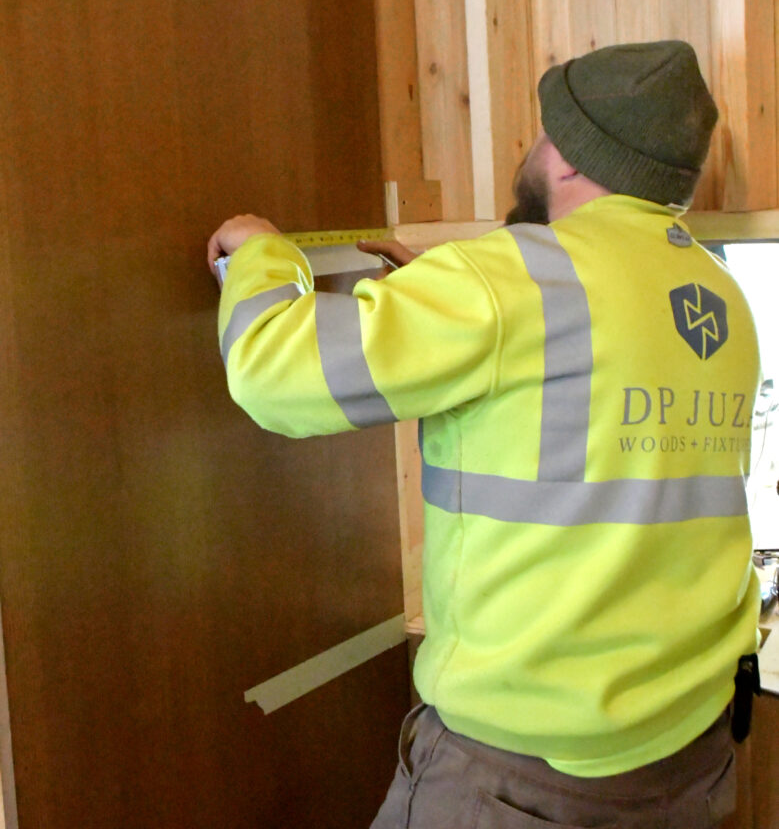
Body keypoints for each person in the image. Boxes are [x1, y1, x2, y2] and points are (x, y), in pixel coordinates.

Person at [207, 41, 762, 829]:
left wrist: (262, 253)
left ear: (570, 157)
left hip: (523, 780)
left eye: (541, 134)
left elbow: (274, 373)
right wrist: (439, 309)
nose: (530, 153)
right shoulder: (719, 293)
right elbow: (582, 406)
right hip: (685, 757)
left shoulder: (506, 277)